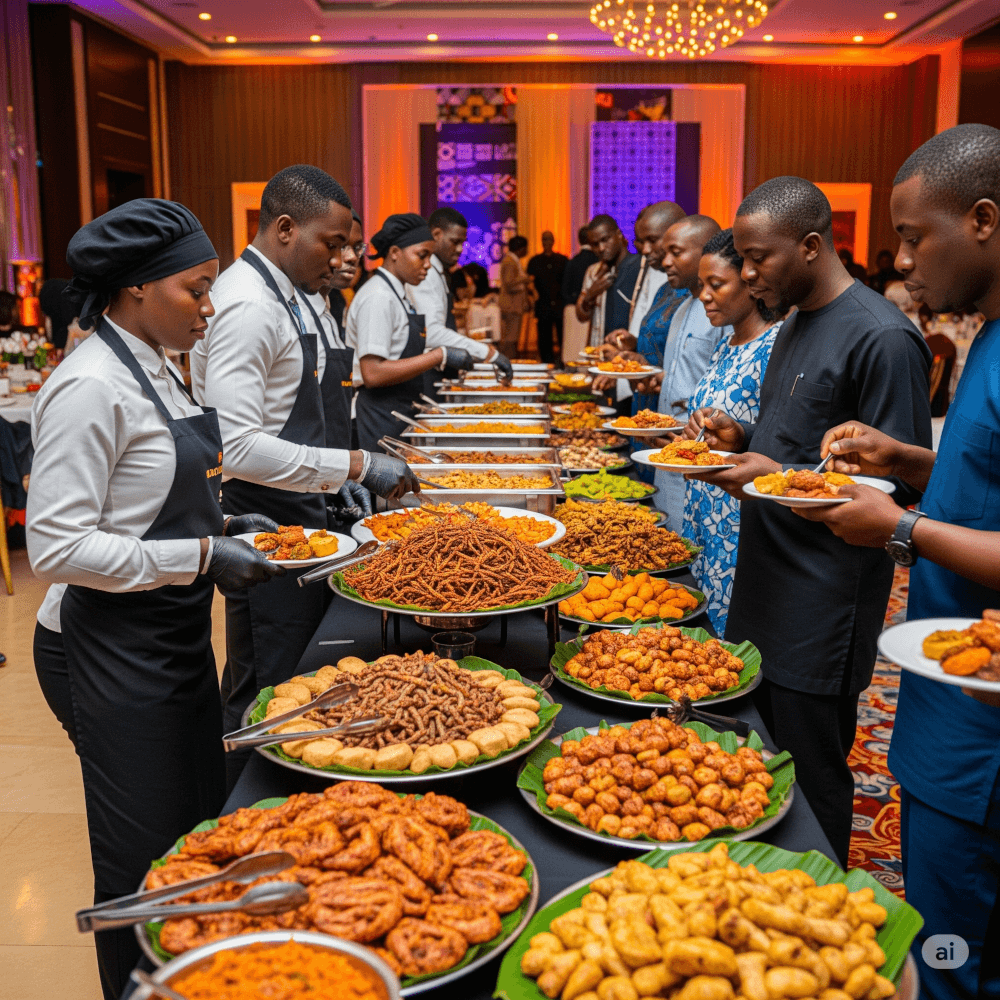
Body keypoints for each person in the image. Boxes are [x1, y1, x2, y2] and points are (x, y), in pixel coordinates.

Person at [27, 199, 284, 998]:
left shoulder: (160, 364)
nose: (210, 309)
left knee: (197, 830)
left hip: (166, 635)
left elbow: (141, 504)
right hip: (100, 646)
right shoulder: (87, 386)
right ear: (136, 289)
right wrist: (205, 552)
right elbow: (59, 548)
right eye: (196, 291)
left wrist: (228, 518)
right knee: (145, 862)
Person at [793, 123, 1000, 1000]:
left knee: (954, 958)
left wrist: (902, 530)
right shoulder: (987, 335)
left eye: (915, 236)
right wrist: (911, 463)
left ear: (983, 220)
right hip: (940, 706)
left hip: (980, 737)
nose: (901, 258)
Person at [684, 176, 932, 866]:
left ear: (813, 245)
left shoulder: (884, 337)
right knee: (757, 759)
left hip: (824, 602)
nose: (749, 273)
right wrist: (742, 439)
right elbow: (793, 448)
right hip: (765, 580)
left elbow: (891, 490)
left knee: (813, 775)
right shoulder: (793, 323)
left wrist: (766, 475)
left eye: (759, 258)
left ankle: (824, 901)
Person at [192, 167, 419, 789]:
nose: (347, 257)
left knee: (294, 677)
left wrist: (331, 478)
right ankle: (247, 809)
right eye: (335, 242)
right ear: (285, 228)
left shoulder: (299, 293)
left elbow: (303, 409)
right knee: (268, 684)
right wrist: (353, 464)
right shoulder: (245, 304)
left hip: (305, 508)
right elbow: (234, 445)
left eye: (351, 244)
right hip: (266, 519)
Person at [680, 229, 781, 633]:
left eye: (716, 284)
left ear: (751, 282)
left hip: (738, 519)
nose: (704, 295)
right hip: (705, 510)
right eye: (701, 285)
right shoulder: (727, 342)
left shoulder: (775, 346)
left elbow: (773, 436)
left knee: (732, 636)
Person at [348, 212, 477, 449]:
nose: (428, 264)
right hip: (378, 416)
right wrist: (439, 355)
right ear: (395, 253)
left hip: (399, 410)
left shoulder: (401, 292)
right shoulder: (378, 296)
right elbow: (373, 372)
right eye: (422, 255)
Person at [639, 215, 725, 528]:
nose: (665, 261)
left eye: (676, 252)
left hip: (698, 455)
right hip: (668, 451)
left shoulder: (721, 314)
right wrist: (659, 381)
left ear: (707, 254)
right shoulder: (682, 309)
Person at [295, 211, 372, 523]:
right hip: (297, 482)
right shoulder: (291, 312)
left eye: (357, 247)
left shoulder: (329, 306)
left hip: (330, 469)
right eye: (340, 247)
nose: (349, 258)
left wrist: (342, 472)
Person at [407, 207, 513, 389]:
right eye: (454, 242)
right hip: (426, 372)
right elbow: (431, 333)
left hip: (436, 369)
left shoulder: (438, 272)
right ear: (436, 234)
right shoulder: (427, 273)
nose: (459, 250)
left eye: (462, 243)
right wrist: (487, 352)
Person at [576, 215, 641, 348]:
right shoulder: (593, 271)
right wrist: (590, 295)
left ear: (618, 234)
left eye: (605, 240)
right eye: (595, 244)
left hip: (629, 353)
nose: (601, 248)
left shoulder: (639, 267)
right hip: (600, 350)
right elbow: (581, 316)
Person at [526, 230, 569, 363]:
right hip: (542, 305)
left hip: (559, 304)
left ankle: (563, 362)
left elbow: (567, 282)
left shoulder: (562, 260)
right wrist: (533, 295)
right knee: (544, 338)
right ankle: (546, 364)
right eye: (544, 239)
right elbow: (529, 283)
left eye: (549, 239)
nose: (547, 242)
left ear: (553, 241)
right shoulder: (534, 261)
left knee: (563, 336)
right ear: (541, 241)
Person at [561, 225, 597, 364]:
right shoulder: (598, 262)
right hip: (593, 311)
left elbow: (564, 291)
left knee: (572, 352)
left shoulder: (571, 262)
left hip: (571, 311)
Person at [498, 234, 532, 356]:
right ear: (520, 248)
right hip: (511, 306)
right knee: (510, 339)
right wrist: (525, 280)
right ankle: (508, 364)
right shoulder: (510, 262)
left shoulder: (513, 261)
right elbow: (509, 284)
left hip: (513, 306)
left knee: (511, 338)